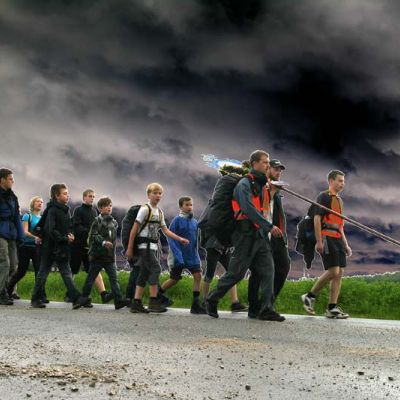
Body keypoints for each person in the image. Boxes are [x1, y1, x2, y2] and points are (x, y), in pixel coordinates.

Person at [206, 150, 285, 321]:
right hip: (245, 234)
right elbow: (248, 209)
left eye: (268, 162)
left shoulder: (262, 186)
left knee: (268, 271)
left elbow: (262, 210)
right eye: (265, 162)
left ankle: (266, 309)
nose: (268, 165)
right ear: (254, 163)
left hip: (259, 235)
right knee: (236, 274)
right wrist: (269, 226)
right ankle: (212, 298)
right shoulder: (244, 184)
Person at [126, 183, 189, 313]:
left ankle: (136, 302)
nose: (158, 195)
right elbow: (134, 229)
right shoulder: (145, 209)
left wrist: (180, 239)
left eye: (160, 193)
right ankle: (153, 301)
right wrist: (130, 248)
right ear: (149, 195)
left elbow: (165, 231)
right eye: (155, 193)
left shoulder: (159, 212)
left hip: (153, 246)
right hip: (144, 246)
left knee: (144, 273)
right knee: (156, 269)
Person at [301, 170, 352, 319]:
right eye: (340, 181)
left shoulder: (339, 201)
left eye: (343, 181)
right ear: (331, 181)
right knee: (334, 271)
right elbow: (317, 218)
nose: (342, 184)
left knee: (339, 272)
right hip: (327, 236)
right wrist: (319, 241)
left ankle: (332, 307)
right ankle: (309, 296)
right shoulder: (323, 196)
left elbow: (340, 225)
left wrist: (346, 244)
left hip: (338, 238)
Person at [247, 159, 291, 317]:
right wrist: (270, 192)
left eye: (280, 170)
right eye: (275, 169)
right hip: (260, 234)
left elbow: (277, 215)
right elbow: (260, 211)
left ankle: (267, 304)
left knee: (284, 266)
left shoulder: (277, 192)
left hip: (276, 236)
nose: (278, 173)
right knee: (258, 271)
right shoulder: (259, 186)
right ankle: (254, 308)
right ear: (267, 170)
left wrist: (283, 236)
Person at [30, 184, 84, 309]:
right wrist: (65, 238)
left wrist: (71, 235)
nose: (67, 196)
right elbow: (51, 230)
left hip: (62, 247)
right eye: (64, 193)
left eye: (67, 193)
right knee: (43, 273)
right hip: (49, 248)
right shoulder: (52, 210)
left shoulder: (65, 210)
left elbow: (69, 226)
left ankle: (76, 299)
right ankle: (35, 298)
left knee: (66, 272)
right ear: (56, 196)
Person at [76, 196, 130, 310]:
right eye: (106, 206)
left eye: (110, 205)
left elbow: (113, 239)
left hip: (109, 257)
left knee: (114, 279)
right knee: (91, 278)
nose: (109, 208)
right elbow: (94, 235)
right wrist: (103, 242)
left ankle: (118, 300)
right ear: (100, 208)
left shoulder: (114, 222)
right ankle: (83, 298)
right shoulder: (97, 221)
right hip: (97, 256)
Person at [158, 196, 206, 314]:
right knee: (174, 279)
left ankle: (195, 305)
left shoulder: (195, 222)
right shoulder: (177, 220)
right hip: (178, 256)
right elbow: (171, 238)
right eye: (187, 205)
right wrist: (177, 256)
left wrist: (197, 253)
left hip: (192, 255)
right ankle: (157, 295)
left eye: (191, 205)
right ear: (181, 206)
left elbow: (196, 240)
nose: (189, 207)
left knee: (198, 276)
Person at [69, 189, 111, 304]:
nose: (92, 198)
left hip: (90, 247)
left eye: (93, 196)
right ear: (84, 198)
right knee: (73, 269)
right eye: (90, 196)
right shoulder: (78, 210)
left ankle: (103, 294)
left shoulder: (94, 211)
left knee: (94, 270)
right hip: (78, 246)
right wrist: (90, 232)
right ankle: (70, 294)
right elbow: (77, 226)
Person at [7, 196, 46, 301]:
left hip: (37, 248)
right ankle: (8, 291)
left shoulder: (42, 218)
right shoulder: (27, 216)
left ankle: (39, 295)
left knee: (38, 271)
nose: (40, 203)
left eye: (41, 202)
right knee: (21, 271)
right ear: (33, 203)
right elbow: (24, 231)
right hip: (25, 247)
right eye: (38, 201)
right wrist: (35, 237)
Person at [0, 168, 24, 305]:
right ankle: (1, 293)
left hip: (11, 233)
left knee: (14, 265)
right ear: (2, 180)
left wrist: (21, 236)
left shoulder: (13, 197)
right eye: (10, 179)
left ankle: (7, 290)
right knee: (4, 262)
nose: (12, 181)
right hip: (0, 233)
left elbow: (16, 217)